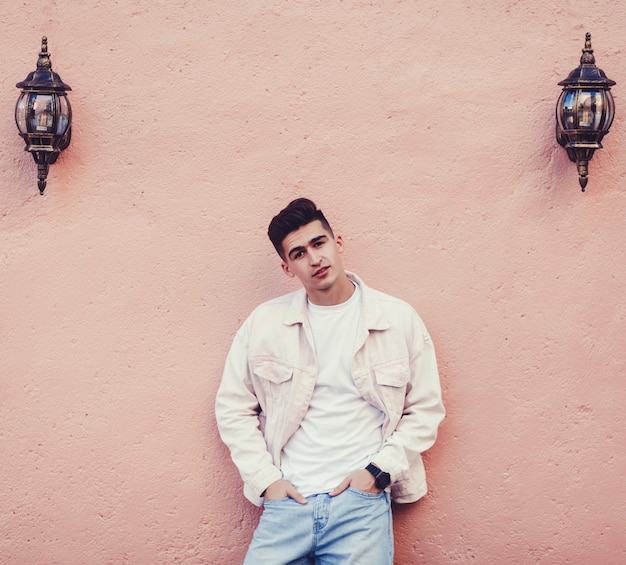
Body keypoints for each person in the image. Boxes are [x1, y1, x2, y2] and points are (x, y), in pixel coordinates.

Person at [215, 198, 444, 564]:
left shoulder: (396, 319)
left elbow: (426, 410)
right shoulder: (265, 325)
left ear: (338, 242)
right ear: (287, 267)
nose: (314, 259)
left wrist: (377, 473)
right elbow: (232, 409)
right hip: (288, 504)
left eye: (319, 244)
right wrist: (266, 481)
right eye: (299, 253)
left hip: (359, 504)